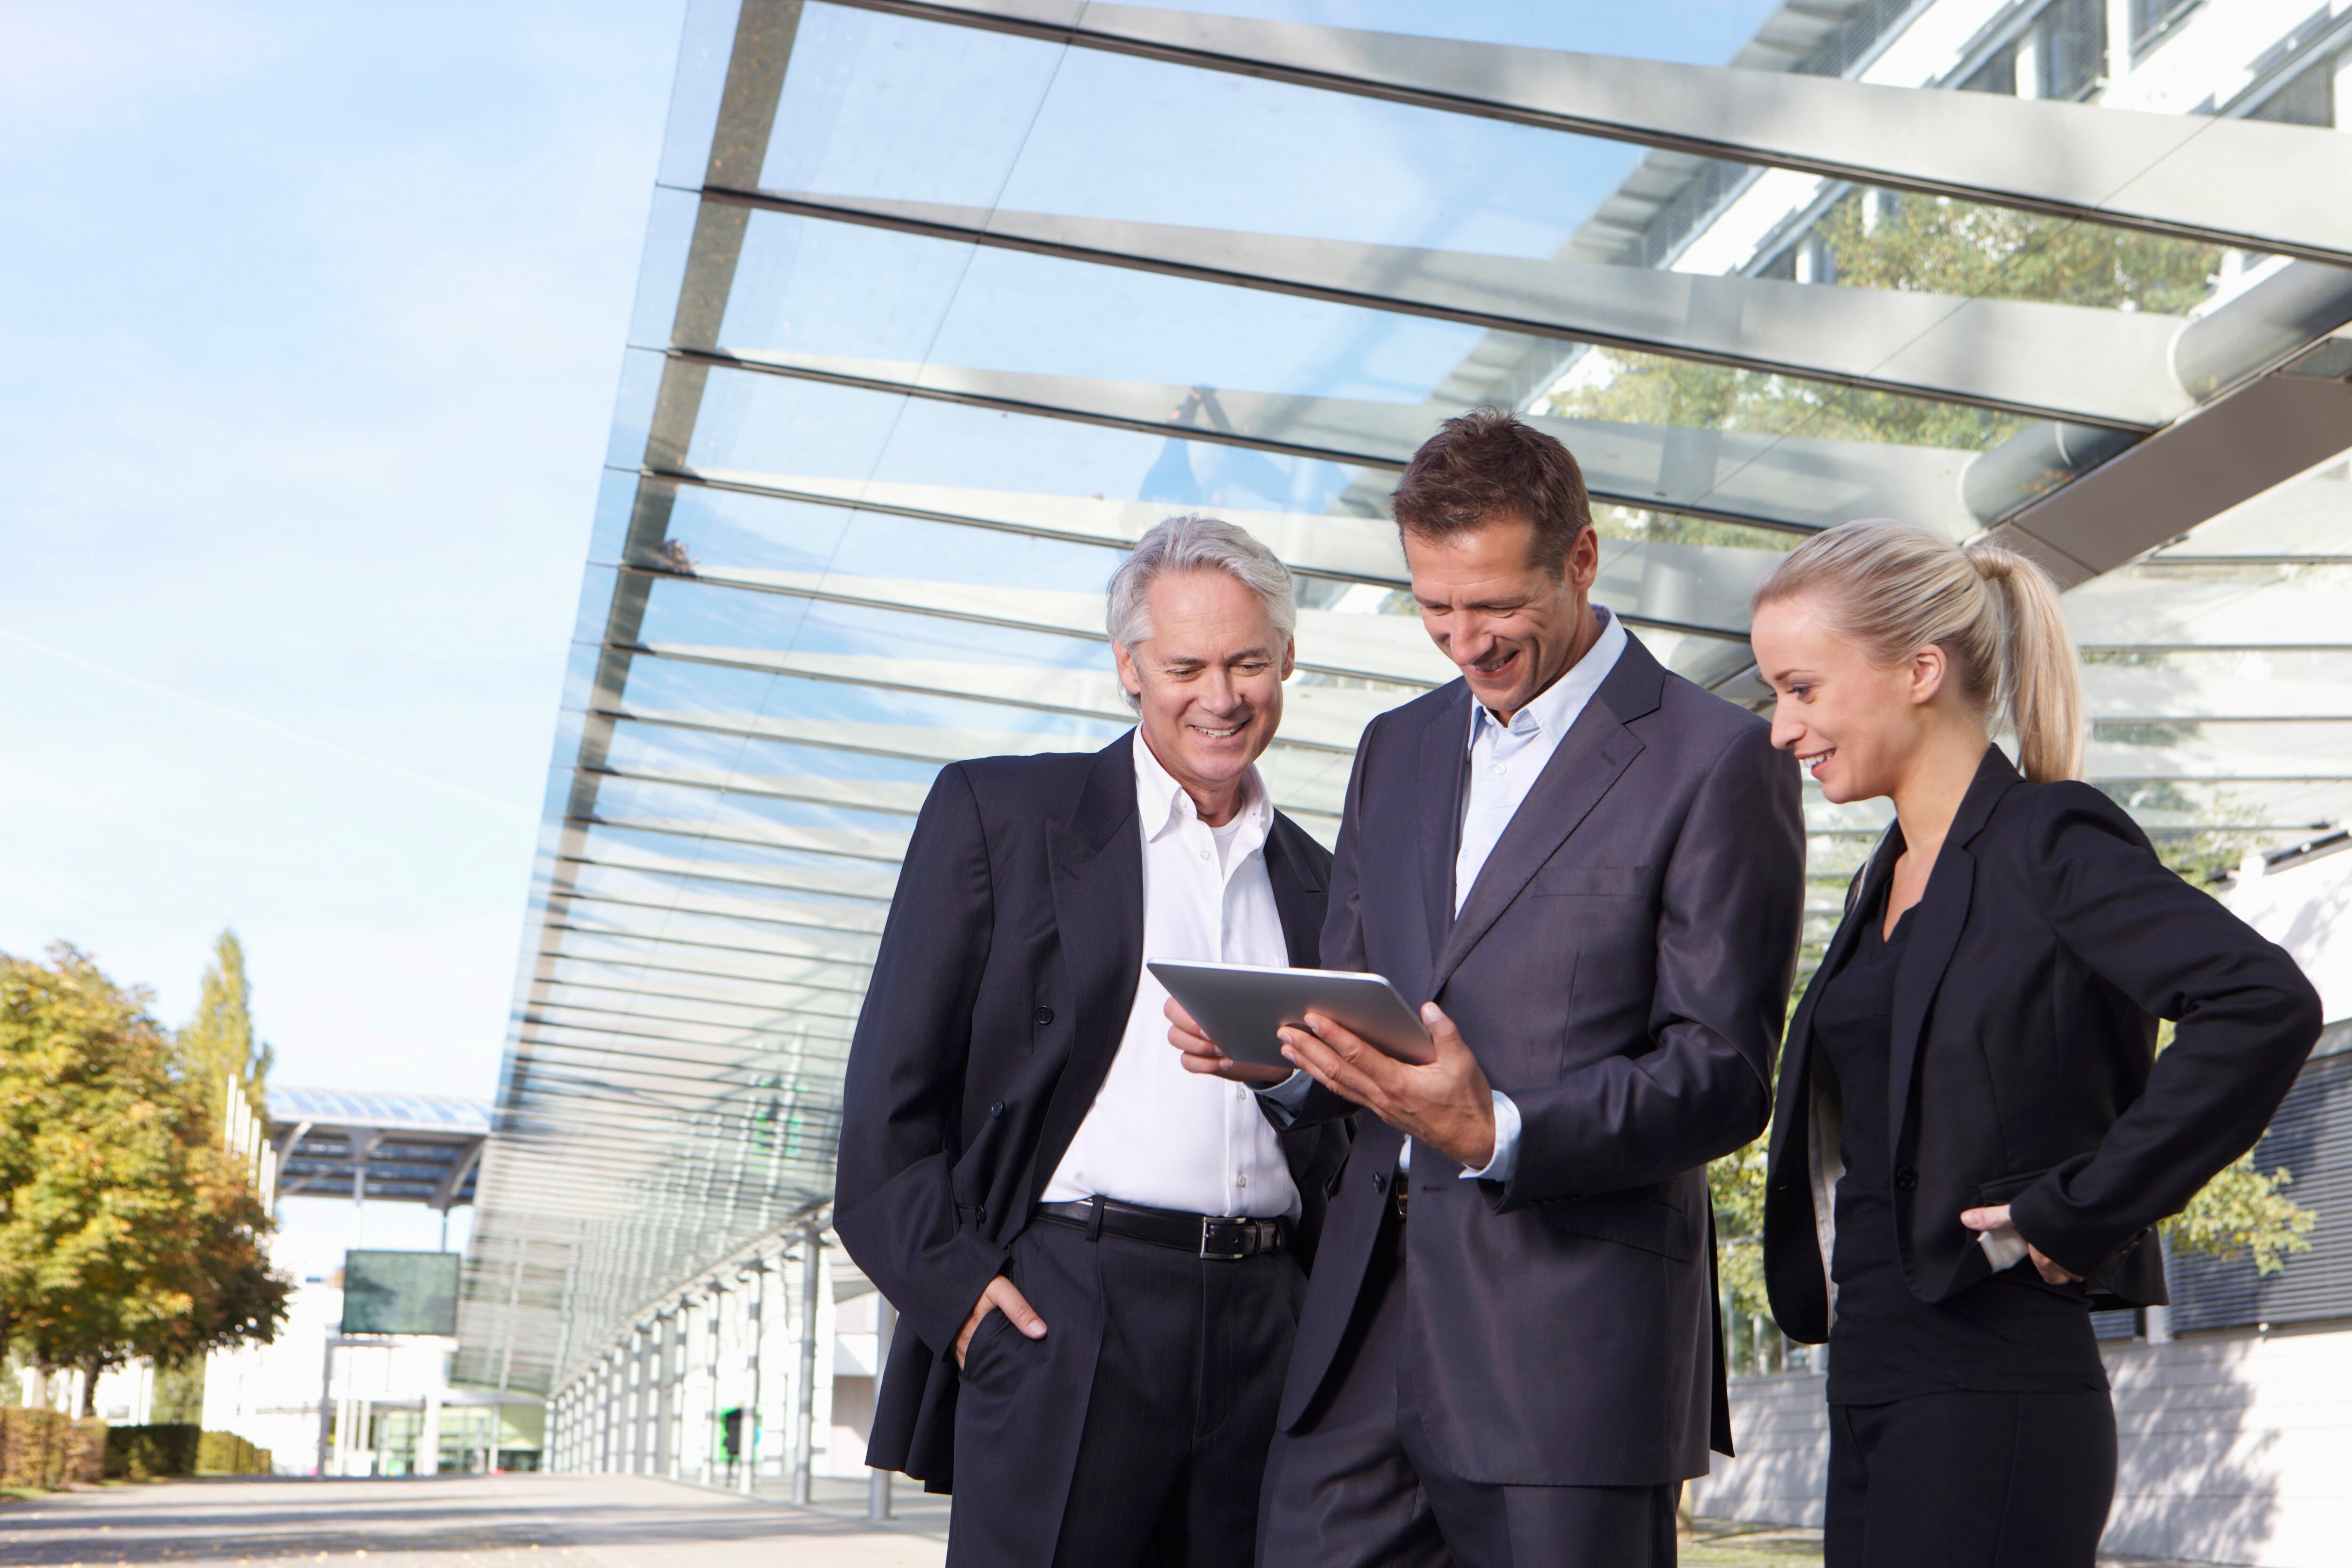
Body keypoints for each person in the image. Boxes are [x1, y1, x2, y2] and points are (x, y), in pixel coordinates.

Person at [1172, 408, 1807, 1568]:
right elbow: (1365, 994)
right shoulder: (1395, 747)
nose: (1465, 639)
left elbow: (1721, 1071)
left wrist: (1499, 1126)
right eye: (1434, 606)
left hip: (1567, 1352)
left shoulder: (1715, 758)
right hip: (1363, 1336)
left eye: (1497, 604)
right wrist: (1283, 1059)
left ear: (1581, 558)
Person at [1749, 519, 2323, 1568]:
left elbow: (2260, 1000)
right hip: (1872, 1375)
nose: (1782, 728)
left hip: (1992, 1387)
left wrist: (2085, 1203)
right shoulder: (1885, 878)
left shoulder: (2046, 838)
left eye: (1802, 688)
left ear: (1920, 669)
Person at [832, 515, 1348, 1568]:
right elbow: (889, 1107)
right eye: (1185, 665)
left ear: (1288, 658)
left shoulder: (1327, 882)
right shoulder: (1001, 815)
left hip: (1269, 1327)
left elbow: (1342, 1126)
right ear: (1127, 666)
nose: (1221, 694)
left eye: (1249, 660)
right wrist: (964, 1298)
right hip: (1067, 1312)